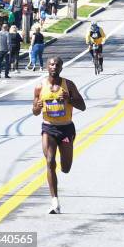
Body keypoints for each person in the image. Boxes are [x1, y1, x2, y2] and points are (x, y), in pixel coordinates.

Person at [32, 56, 86, 214]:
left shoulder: (68, 85)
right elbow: (34, 112)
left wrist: (69, 99)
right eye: (51, 64)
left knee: (66, 167)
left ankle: (64, 164)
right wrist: (38, 106)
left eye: (57, 64)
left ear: (61, 68)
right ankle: (54, 201)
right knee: (49, 161)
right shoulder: (39, 87)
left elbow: (82, 106)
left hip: (66, 129)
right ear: (47, 67)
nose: (53, 66)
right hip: (48, 128)